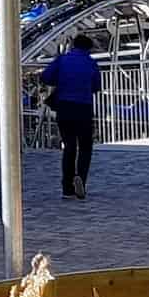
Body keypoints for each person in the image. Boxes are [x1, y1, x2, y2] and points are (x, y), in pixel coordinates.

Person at [39, 32, 102, 199]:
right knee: (86, 147)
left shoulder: (62, 60)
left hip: (64, 107)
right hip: (84, 107)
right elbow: (96, 86)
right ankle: (80, 178)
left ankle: (67, 187)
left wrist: (61, 81)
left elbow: (45, 77)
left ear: (73, 45)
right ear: (89, 48)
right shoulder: (91, 63)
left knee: (69, 146)